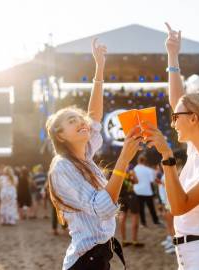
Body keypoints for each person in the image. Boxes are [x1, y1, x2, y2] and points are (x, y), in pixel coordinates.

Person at [143, 23, 199, 270]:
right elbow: (179, 103)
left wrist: (167, 156)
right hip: (189, 253)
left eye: (176, 118)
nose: (173, 123)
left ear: (194, 118)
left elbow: (179, 207)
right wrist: (172, 56)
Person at [47, 39, 141, 270]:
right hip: (85, 262)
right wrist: (123, 160)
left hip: (99, 256)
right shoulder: (62, 166)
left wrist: (99, 67)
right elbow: (102, 207)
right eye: (72, 121)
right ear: (60, 135)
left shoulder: (85, 157)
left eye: (80, 118)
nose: (81, 122)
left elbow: (95, 117)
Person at [118, 165, 144, 247]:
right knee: (135, 217)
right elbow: (136, 181)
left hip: (121, 196)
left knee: (122, 217)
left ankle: (124, 240)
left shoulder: (117, 168)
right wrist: (133, 174)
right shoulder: (130, 169)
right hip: (131, 196)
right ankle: (134, 241)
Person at [133, 154, 160, 227]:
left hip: (137, 191)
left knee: (141, 208)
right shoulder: (149, 170)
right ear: (145, 161)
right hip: (147, 191)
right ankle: (156, 221)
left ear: (138, 161)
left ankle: (143, 223)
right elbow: (152, 181)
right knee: (151, 208)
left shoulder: (134, 169)